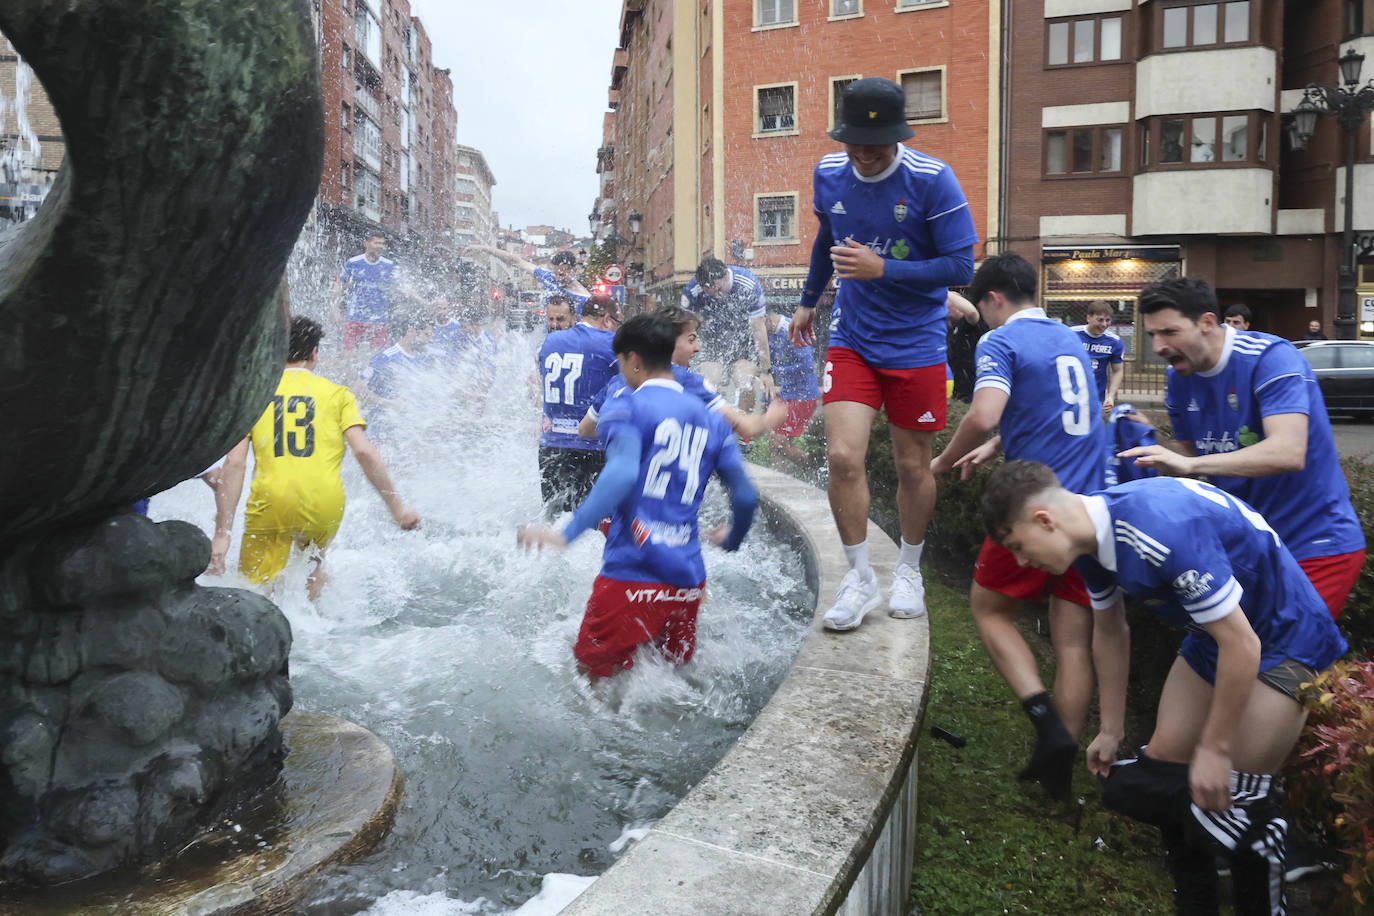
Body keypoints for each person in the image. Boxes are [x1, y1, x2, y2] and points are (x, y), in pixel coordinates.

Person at [980, 461, 1347, 915]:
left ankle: (1269, 874)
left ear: (1044, 520)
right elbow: (1111, 629)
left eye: (1018, 546)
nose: (1020, 561)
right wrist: (1111, 728)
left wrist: (1214, 747)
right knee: (1161, 779)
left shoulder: (1159, 527)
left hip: (1283, 635)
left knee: (1236, 797)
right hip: (1217, 635)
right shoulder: (1088, 542)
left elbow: (1244, 644)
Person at [790, 76, 978, 631]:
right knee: (844, 457)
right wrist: (808, 300)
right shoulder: (828, 172)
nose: (865, 157)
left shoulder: (933, 181)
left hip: (917, 341)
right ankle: (858, 578)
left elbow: (960, 269)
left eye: (877, 147)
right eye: (855, 146)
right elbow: (828, 240)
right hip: (853, 336)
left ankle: (910, 569)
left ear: (898, 137)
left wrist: (884, 269)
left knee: (911, 464)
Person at [930, 252, 1113, 800]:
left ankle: (1044, 720)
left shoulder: (1000, 340)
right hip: (1090, 508)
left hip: (1035, 508)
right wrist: (997, 445)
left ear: (992, 300)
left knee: (989, 609)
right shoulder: (1071, 339)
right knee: (1073, 640)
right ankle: (1062, 762)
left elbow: (985, 410)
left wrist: (942, 462)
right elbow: (1047, 411)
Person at [517, 312, 758, 678]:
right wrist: (733, 538)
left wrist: (566, 534)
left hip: (631, 576)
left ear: (633, 359)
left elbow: (622, 474)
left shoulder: (626, 406)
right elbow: (744, 496)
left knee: (591, 679)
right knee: (670, 681)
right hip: (689, 581)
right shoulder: (711, 419)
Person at [1120, 277, 1365, 618]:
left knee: (1279, 665)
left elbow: (1287, 452)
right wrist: (1152, 442)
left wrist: (1193, 466)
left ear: (1207, 323)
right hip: (1252, 544)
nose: (1159, 346)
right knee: (1216, 657)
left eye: (1170, 332)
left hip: (1315, 544)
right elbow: (1193, 451)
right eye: (1152, 336)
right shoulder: (1180, 377)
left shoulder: (1271, 358)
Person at [212, 317, 420, 599]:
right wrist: (398, 509)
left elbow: (235, 463)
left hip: (272, 501)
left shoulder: (255, 394)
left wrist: (223, 533)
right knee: (313, 565)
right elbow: (364, 453)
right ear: (313, 354)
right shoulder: (338, 395)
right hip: (324, 503)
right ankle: (318, 622)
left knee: (255, 593)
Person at [579, 306, 786, 443]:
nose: (697, 348)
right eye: (691, 339)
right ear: (667, 342)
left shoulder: (618, 381)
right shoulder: (689, 383)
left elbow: (585, 430)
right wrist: (770, 418)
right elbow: (744, 427)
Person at [537, 292, 622, 514]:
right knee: (594, 528)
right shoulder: (610, 344)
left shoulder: (549, 342)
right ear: (606, 319)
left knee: (555, 523)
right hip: (592, 448)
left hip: (552, 447)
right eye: (617, 324)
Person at [680, 257, 773, 404]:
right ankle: (711, 421)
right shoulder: (692, 290)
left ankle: (744, 422)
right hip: (713, 342)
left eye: (719, 290)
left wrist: (766, 371)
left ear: (724, 276)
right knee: (708, 384)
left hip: (744, 344)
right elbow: (684, 331)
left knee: (744, 383)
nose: (718, 295)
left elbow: (759, 330)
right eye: (711, 293)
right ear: (703, 287)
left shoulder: (748, 285)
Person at [358, 313, 434, 443]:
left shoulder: (421, 358)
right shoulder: (386, 357)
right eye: (426, 335)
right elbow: (359, 388)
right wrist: (390, 403)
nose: (430, 340)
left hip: (408, 433)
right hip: (382, 431)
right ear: (411, 331)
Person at [762, 312, 821, 467]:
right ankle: (776, 482)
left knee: (778, 443)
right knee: (776, 445)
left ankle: (814, 464)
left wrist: (774, 371)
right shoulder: (773, 332)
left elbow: (806, 366)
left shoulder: (792, 329)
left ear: (767, 320)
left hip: (803, 394)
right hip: (789, 393)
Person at [467, 245, 590, 314]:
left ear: (574, 271)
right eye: (556, 273)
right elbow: (516, 261)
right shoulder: (549, 278)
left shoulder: (584, 298)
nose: (558, 278)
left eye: (562, 274)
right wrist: (485, 249)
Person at [333, 233, 400, 353]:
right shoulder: (353, 263)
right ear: (367, 244)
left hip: (378, 319)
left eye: (382, 244)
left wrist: (424, 302)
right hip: (355, 317)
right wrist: (335, 309)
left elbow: (402, 286)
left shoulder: (388, 265)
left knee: (379, 356)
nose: (380, 246)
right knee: (348, 354)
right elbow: (339, 285)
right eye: (377, 243)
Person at [1073, 300, 1124, 412]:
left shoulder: (1114, 341)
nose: (1104, 325)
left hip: (1096, 398)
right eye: (1100, 320)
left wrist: (1110, 396)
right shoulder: (1071, 334)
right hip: (1070, 396)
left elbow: (1118, 371)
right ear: (1088, 318)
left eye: (1108, 320)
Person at [945, 290, 986, 404]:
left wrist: (943, 291)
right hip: (954, 393)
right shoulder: (946, 328)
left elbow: (971, 312)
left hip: (973, 391)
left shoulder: (972, 324)